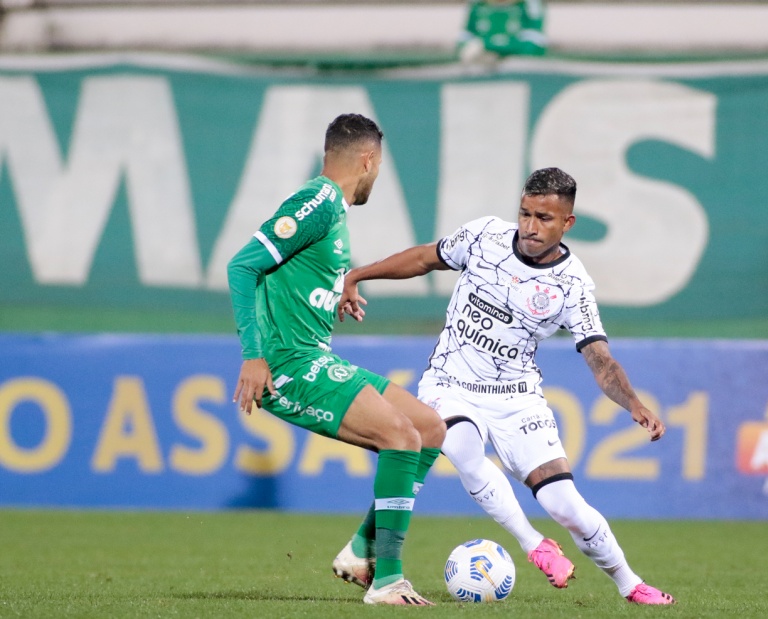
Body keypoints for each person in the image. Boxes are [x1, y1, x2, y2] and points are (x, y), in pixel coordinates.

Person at [336, 167, 676, 606]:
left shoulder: (572, 286)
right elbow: (425, 258)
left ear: (567, 223)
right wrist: (360, 274)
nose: (531, 228)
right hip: (451, 382)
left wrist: (632, 402)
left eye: (545, 219)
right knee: (458, 445)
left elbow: (599, 356)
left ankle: (632, 585)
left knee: (566, 505)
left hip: (517, 398)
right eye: (525, 214)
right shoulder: (484, 238)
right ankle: (533, 543)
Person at [226, 113, 445, 607]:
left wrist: (335, 292)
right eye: (379, 166)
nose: (377, 176)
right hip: (289, 366)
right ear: (367, 160)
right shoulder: (317, 202)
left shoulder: (334, 211)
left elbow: (297, 272)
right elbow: (243, 266)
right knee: (400, 436)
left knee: (429, 428)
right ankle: (387, 580)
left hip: (315, 354)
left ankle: (361, 550)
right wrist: (253, 356)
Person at [458, 0, 547, 65]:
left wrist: (486, 46)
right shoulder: (477, 6)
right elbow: (463, 44)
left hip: (520, 73)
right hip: (482, 75)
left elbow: (533, 47)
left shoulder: (528, 5)